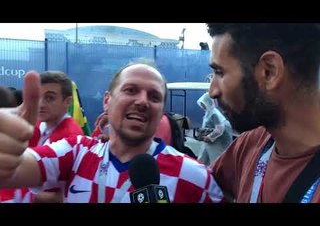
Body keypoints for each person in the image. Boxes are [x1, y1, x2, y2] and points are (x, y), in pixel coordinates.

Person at [0, 61, 224, 203]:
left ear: (161, 112)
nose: (142, 101)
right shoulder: (76, 152)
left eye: (154, 97)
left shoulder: (195, 177)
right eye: (131, 90)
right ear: (107, 101)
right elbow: (14, 170)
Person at [207, 23, 320, 203]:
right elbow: (199, 186)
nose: (212, 91)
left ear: (269, 72)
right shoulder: (250, 145)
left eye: (219, 72)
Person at [1, 71, 84, 203]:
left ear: (67, 102)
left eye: (49, 98)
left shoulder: (71, 137)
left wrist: (23, 194)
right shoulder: (39, 124)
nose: (41, 104)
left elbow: (66, 194)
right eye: (38, 97)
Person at [196, 92, 233, 166]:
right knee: (202, 160)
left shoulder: (214, 113)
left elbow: (220, 129)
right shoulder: (208, 112)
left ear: (208, 102)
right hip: (209, 143)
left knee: (215, 161)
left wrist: (210, 137)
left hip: (216, 143)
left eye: (203, 103)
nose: (202, 106)